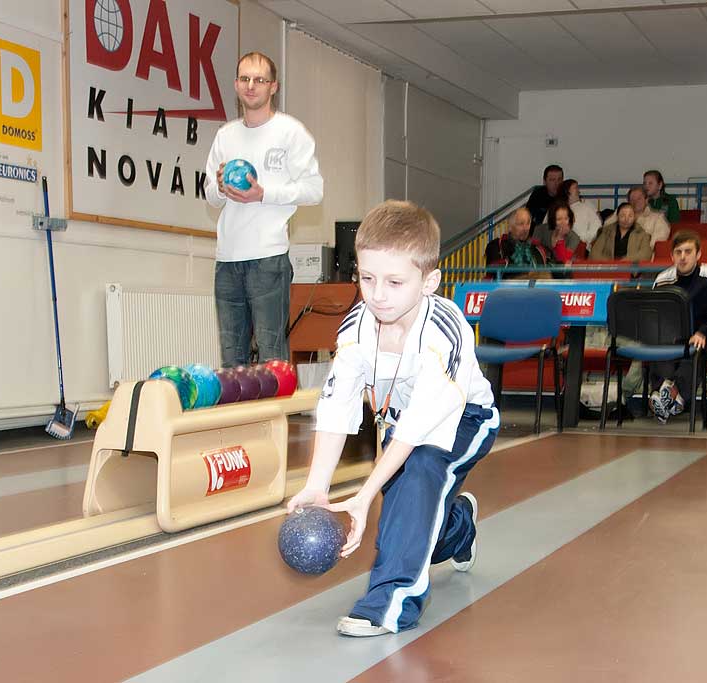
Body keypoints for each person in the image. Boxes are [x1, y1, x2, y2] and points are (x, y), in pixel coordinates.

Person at [287, 200, 497, 637]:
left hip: (466, 420)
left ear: (429, 281)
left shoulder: (445, 331)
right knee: (413, 518)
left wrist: (364, 496)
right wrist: (317, 485)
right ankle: (459, 526)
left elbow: (418, 430)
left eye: (395, 282)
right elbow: (337, 406)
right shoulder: (357, 327)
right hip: (400, 425)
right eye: (367, 278)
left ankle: (389, 606)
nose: (378, 294)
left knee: (418, 478)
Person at [204, 51, 324, 367]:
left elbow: (314, 190)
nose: (251, 86)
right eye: (245, 79)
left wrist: (263, 194)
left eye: (259, 80)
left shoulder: (291, 132)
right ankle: (238, 404)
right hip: (227, 260)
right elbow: (210, 196)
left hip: (269, 259)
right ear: (236, 84)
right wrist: (220, 186)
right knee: (232, 360)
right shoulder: (225, 136)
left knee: (272, 356)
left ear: (273, 87)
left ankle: (275, 404)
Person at [649, 231, 707, 424]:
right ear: (672, 256)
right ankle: (667, 397)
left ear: (698, 255)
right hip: (671, 339)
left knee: (694, 351)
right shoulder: (662, 280)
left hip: (703, 337)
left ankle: (670, 394)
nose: (683, 257)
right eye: (678, 252)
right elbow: (655, 318)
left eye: (688, 252)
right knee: (658, 349)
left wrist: (703, 332)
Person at [484, 207, 553, 277]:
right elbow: (493, 271)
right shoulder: (497, 246)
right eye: (521, 224)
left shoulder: (537, 248)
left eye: (528, 223)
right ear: (510, 227)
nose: (525, 228)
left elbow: (551, 268)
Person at [602, 186, 670, 247]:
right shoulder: (619, 214)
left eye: (639, 198)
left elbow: (657, 244)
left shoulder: (658, 219)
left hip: (643, 254)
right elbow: (606, 229)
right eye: (632, 199)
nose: (635, 202)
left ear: (646, 200)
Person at [562, 179, 602, 245]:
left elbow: (597, 225)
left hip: (584, 243)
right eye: (575, 188)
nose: (579, 191)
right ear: (567, 191)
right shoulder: (559, 208)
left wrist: (585, 240)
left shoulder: (587, 205)